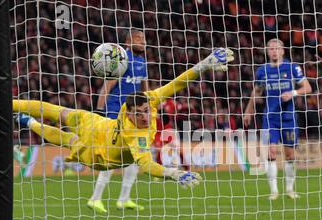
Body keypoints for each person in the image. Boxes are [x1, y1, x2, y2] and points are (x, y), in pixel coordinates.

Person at [13, 48, 234, 192]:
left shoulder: (144, 111)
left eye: (147, 111)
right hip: (101, 134)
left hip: (99, 151)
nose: (145, 116)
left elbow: (175, 84)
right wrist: (174, 173)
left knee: (68, 139)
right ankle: (9, 103)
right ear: (128, 113)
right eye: (139, 113)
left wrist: (204, 64)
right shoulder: (132, 124)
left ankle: (28, 122)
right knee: (56, 111)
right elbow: (147, 165)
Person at [243, 38, 312, 200]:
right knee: (271, 152)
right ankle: (274, 191)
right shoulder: (262, 71)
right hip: (270, 117)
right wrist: (248, 111)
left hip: (288, 117)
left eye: (277, 48)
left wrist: (293, 93)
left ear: (282, 51)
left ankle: (289, 189)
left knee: (290, 155)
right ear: (267, 52)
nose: (274, 51)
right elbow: (256, 92)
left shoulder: (292, 67)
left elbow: (307, 87)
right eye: (271, 49)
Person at [89, 29, 149, 214]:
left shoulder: (142, 62)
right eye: (139, 38)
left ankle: (124, 199)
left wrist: (149, 109)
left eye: (144, 38)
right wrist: (99, 111)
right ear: (128, 42)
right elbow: (107, 87)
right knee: (112, 155)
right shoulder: (122, 59)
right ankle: (95, 198)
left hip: (132, 116)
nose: (143, 41)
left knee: (134, 156)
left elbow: (144, 89)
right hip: (115, 112)